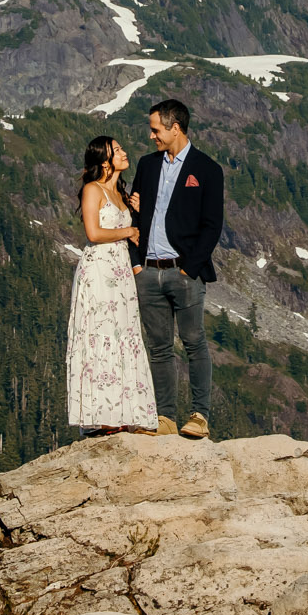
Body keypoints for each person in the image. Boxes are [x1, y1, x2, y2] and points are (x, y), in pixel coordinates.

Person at [127, 97, 223, 438]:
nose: (152, 136)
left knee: (195, 342)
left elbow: (212, 225)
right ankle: (165, 417)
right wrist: (137, 265)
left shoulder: (207, 169)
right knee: (159, 347)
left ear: (175, 128)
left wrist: (190, 269)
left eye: (156, 129)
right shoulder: (147, 165)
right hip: (148, 271)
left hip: (184, 272)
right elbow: (135, 215)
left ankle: (199, 416)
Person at [67, 135, 155, 434]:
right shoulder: (93, 190)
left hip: (120, 270)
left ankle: (125, 413)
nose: (124, 152)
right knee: (101, 335)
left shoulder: (120, 192)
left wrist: (138, 213)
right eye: (117, 150)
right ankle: (102, 416)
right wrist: (129, 228)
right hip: (99, 270)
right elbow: (93, 232)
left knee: (124, 333)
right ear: (104, 160)